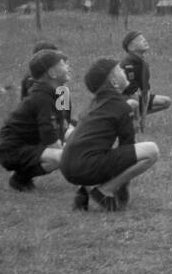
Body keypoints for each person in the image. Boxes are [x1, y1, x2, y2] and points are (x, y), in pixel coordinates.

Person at [60, 58, 159, 211]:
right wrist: (120, 188)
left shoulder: (93, 105)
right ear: (113, 82)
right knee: (151, 151)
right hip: (83, 166)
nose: (124, 71)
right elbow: (128, 148)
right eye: (119, 69)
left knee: (95, 152)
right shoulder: (119, 106)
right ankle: (104, 191)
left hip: (67, 166)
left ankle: (84, 192)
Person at [0, 49, 71, 192]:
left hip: (27, 145)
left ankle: (20, 179)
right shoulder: (41, 98)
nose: (67, 67)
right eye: (62, 64)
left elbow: (58, 126)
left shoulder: (53, 93)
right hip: (11, 150)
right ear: (52, 74)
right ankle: (92, 185)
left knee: (64, 154)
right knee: (63, 156)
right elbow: (49, 135)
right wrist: (73, 155)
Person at [120, 30, 171, 129]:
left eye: (144, 38)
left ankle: (135, 117)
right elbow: (132, 93)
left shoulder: (143, 64)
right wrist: (137, 119)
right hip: (122, 100)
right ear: (131, 47)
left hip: (134, 98)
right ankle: (131, 119)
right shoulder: (128, 65)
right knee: (132, 103)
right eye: (140, 40)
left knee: (166, 102)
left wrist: (143, 119)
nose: (144, 41)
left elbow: (145, 91)